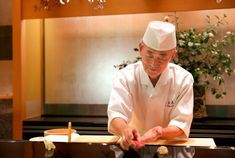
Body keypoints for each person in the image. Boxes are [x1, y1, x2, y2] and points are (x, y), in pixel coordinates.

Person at [107, 21, 194, 150]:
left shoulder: (183, 79)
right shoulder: (125, 77)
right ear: (141, 49)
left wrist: (159, 132)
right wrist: (125, 129)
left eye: (162, 57)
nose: (154, 63)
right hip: (132, 145)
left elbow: (181, 124)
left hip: (168, 146)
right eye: (149, 54)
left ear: (172, 55)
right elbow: (116, 114)